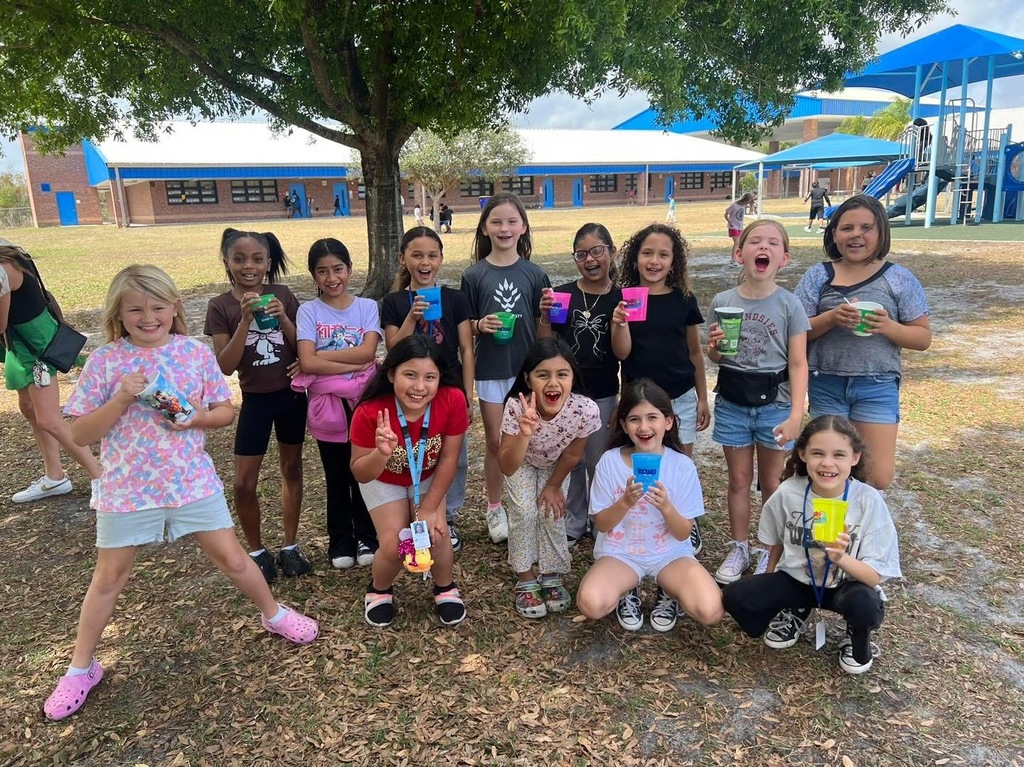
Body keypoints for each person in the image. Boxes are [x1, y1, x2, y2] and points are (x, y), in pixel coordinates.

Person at [44, 265, 317, 722]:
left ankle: (273, 613)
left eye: (157, 307)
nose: (147, 317)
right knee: (109, 577)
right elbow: (80, 432)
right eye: (135, 309)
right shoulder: (106, 361)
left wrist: (195, 419)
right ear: (119, 313)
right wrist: (120, 400)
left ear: (174, 308)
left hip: (190, 479)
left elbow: (224, 412)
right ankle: (80, 668)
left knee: (232, 558)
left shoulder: (193, 353)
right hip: (126, 487)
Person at [722, 415, 901, 675]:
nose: (827, 463)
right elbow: (777, 542)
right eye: (818, 453)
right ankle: (797, 610)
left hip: (845, 586)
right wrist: (769, 588)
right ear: (803, 454)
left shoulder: (868, 501)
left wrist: (840, 557)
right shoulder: (789, 492)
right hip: (799, 581)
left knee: (865, 604)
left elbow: (873, 577)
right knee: (736, 595)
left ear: (855, 457)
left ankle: (857, 638)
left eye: (839, 454)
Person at [794, 195, 931, 490]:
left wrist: (887, 326)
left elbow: (922, 337)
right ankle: (831, 532)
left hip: (877, 385)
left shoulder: (898, 278)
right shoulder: (818, 275)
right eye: (847, 228)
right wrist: (830, 319)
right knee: (828, 471)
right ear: (833, 234)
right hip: (826, 382)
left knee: (876, 476)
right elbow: (796, 333)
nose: (856, 234)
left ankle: (861, 529)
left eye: (866, 227)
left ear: (881, 232)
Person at [705, 220, 810, 585]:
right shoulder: (723, 302)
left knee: (771, 481)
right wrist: (715, 349)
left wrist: (797, 414)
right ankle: (739, 546)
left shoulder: (789, 304)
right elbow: (716, 357)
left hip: (775, 406)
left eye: (773, 243)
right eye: (755, 242)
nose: (763, 247)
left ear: (783, 258)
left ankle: (769, 549)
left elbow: (798, 363)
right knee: (738, 480)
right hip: (732, 402)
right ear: (740, 253)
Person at [204, 229, 310, 584]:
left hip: (291, 396)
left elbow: (302, 348)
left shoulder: (282, 294)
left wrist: (283, 318)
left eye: (256, 259)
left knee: (292, 468)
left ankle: (290, 545)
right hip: (255, 401)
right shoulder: (220, 306)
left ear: (267, 263)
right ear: (227, 262)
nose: (248, 266)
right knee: (243, 484)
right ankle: (256, 550)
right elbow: (225, 364)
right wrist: (246, 320)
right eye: (239, 259)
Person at [576, 379, 723, 632]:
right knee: (591, 604)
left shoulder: (681, 466)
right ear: (624, 424)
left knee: (710, 610)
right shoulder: (610, 462)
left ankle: (669, 590)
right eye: (634, 419)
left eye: (652, 417)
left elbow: (683, 533)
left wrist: (666, 506)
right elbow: (601, 524)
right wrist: (625, 501)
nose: (644, 427)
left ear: (668, 422)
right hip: (620, 551)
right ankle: (626, 588)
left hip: (669, 553)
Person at [350, 336, 468, 628]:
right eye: (410, 375)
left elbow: (449, 459)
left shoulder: (453, 399)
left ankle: (445, 587)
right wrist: (381, 453)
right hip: (383, 477)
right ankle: (379, 589)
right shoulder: (369, 412)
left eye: (430, 377)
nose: (419, 387)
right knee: (393, 544)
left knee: (436, 535)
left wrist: (429, 508)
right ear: (391, 375)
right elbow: (361, 473)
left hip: (427, 476)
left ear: (441, 378)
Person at [460, 192, 550, 545]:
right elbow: (464, 326)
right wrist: (480, 325)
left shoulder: (535, 273)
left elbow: (545, 326)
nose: (504, 228)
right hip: (491, 370)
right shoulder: (474, 274)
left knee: (530, 439)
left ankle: (528, 504)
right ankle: (495, 506)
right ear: (484, 228)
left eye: (512, 221)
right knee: (497, 442)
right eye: (496, 221)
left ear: (523, 227)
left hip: (528, 372)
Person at [381, 227, 474, 552]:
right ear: (403, 258)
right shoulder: (393, 302)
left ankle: (447, 516)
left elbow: (466, 348)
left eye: (432, 255)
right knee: (417, 452)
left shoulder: (455, 299)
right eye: (417, 255)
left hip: (449, 390)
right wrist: (412, 315)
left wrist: (467, 396)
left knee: (456, 457)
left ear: (441, 259)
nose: (425, 262)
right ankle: (417, 512)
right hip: (413, 393)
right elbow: (393, 348)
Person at [618, 223, 709, 554]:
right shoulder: (627, 299)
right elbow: (622, 354)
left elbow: (695, 352)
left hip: (681, 395)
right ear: (635, 258)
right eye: (647, 253)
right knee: (643, 458)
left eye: (663, 254)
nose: (654, 261)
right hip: (639, 400)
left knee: (681, 460)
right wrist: (621, 323)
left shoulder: (683, 299)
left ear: (674, 262)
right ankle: (643, 517)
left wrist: (702, 398)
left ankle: (685, 519)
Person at [537, 223, 630, 545]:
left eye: (597, 251)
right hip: (567, 396)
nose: (589, 259)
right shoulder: (563, 295)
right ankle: (574, 521)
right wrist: (545, 318)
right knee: (571, 461)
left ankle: (601, 520)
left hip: (604, 392)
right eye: (581, 254)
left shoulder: (621, 299)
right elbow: (546, 349)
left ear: (611, 252)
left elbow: (626, 354)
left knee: (599, 462)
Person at [498, 338, 601, 618]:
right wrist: (525, 433)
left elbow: (572, 455)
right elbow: (507, 465)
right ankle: (526, 577)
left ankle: (551, 573)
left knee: (552, 513)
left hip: (555, 464)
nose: (553, 383)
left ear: (572, 378)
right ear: (527, 380)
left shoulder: (585, 409)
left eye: (562, 374)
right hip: (521, 461)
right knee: (524, 513)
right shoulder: (516, 407)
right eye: (543, 375)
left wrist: (554, 486)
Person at [296, 238, 381, 568]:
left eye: (338, 269)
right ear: (313, 276)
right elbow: (306, 364)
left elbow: (367, 352)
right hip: (326, 410)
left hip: (362, 406)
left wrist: (321, 357)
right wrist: (352, 365)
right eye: (322, 271)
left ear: (349, 269)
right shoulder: (309, 312)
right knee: (335, 476)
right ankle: (340, 539)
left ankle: (367, 537)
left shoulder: (366, 307)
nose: (332, 278)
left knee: (362, 472)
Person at [1, 239, 102, 504]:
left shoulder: (2, 268)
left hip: (36, 348)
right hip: (22, 345)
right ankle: (55, 477)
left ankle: (101, 476)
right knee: (30, 409)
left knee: (47, 418)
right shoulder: (6, 247)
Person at [724, 192, 755, 258]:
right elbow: (726, 214)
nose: (747, 203)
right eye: (747, 201)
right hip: (733, 226)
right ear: (744, 199)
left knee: (741, 243)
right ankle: (733, 259)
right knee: (736, 242)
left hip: (740, 227)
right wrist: (730, 222)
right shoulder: (734, 205)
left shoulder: (743, 206)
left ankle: (740, 256)